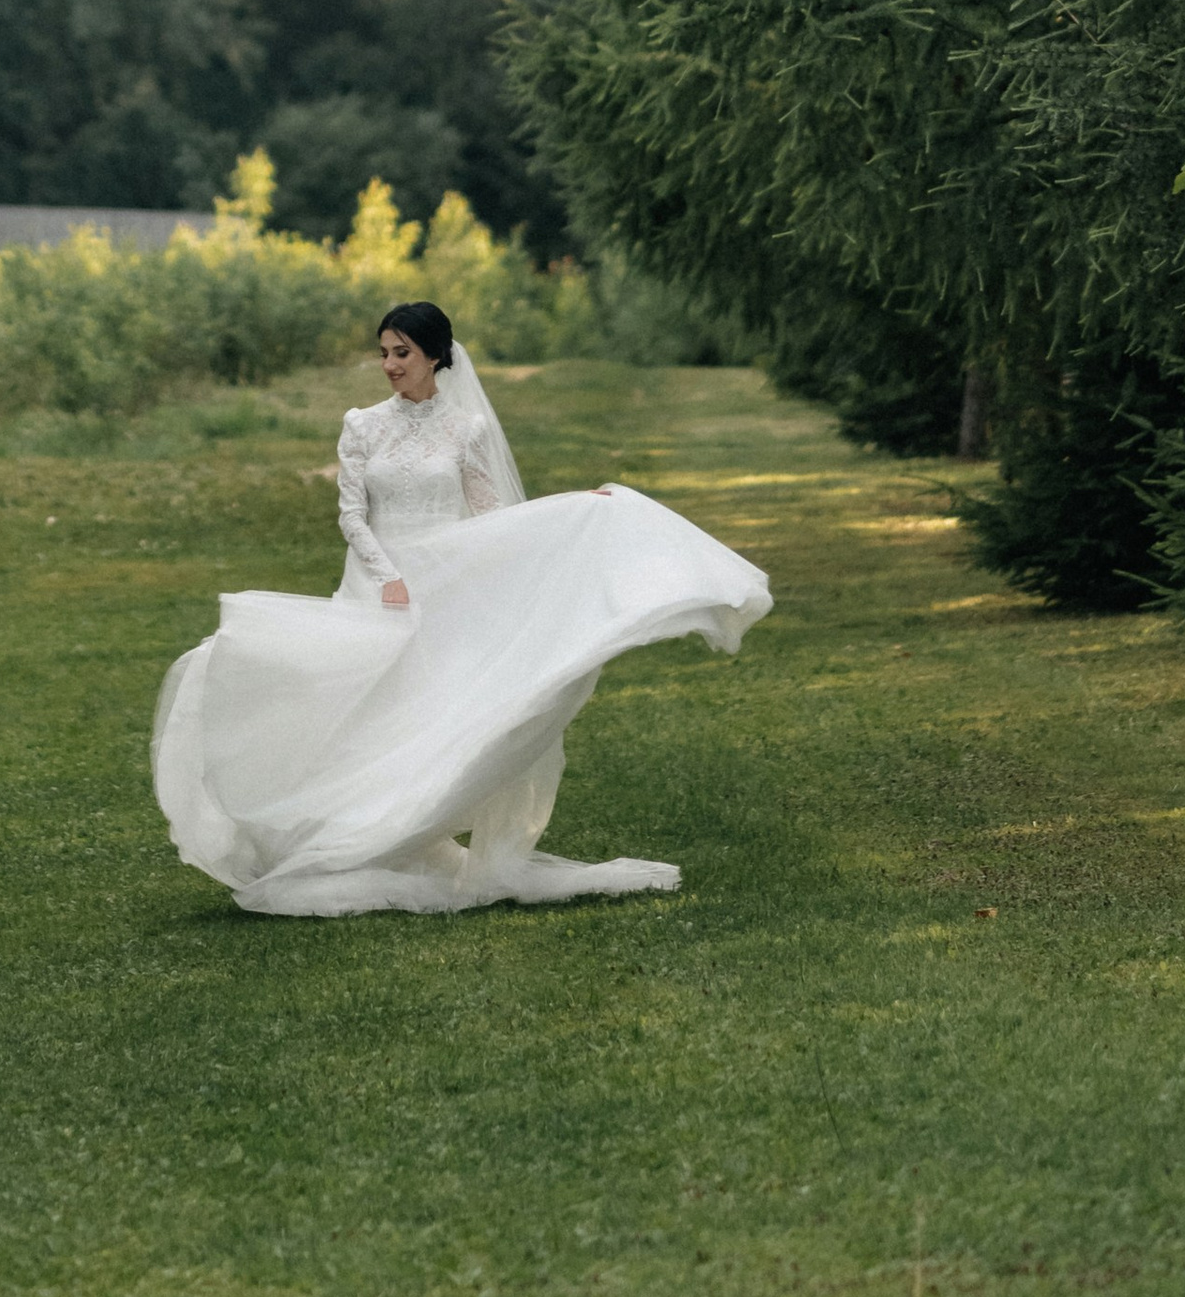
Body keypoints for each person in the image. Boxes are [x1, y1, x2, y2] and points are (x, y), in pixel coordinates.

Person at [151, 299, 770, 917]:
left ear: (436, 357)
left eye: (403, 353)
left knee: (433, 709)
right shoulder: (362, 425)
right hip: (380, 581)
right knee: (367, 708)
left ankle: (400, 828)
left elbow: (494, 517)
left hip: (449, 586)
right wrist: (387, 576)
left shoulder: (464, 430)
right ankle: (348, 833)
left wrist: (573, 508)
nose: (390, 365)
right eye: (385, 352)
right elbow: (351, 515)